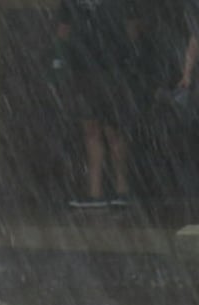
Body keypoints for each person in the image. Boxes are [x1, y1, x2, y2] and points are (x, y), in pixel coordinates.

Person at [55, 0, 142, 210]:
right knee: (93, 129)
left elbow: (132, 26)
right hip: (85, 69)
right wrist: (61, 60)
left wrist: (129, 55)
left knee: (113, 130)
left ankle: (121, 191)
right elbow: (63, 30)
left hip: (112, 68)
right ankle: (96, 193)